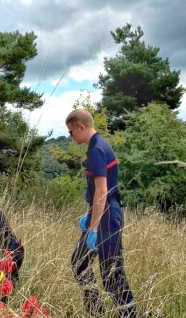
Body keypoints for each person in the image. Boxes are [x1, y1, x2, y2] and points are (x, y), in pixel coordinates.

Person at [66, 109, 138, 318]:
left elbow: (101, 191)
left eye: (71, 132)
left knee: (111, 273)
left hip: (106, 216)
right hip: (100, 213)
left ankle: (130, 315)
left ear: (81, 126)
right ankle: (96, 311)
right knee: (79, 263)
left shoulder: (97, 149)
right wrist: (89, 217)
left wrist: (94, 228)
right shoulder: (98, 146)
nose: (71, 137)